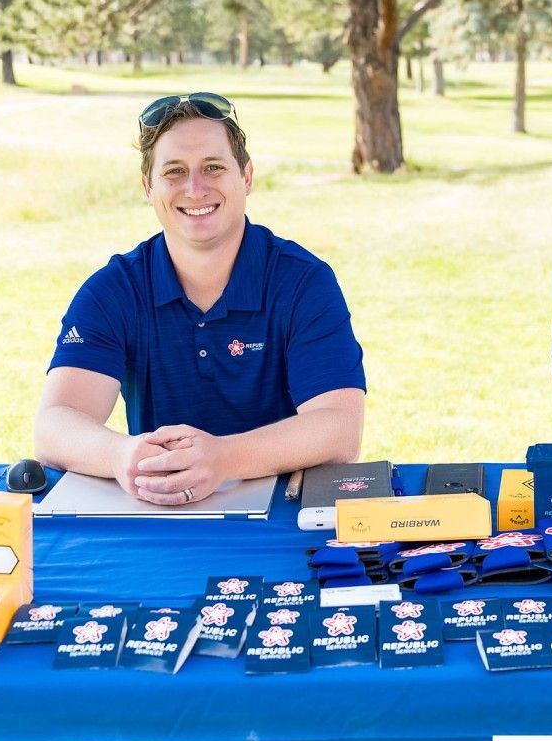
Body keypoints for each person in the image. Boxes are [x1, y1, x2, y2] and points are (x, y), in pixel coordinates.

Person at [34, 92, 365, 504]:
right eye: (174, 171)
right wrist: (121, 455)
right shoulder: (114, 289)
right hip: (161, 511)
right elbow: (55, 424)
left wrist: (223, 458)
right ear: (148, 187)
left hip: (283, 514)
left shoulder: (303, 282)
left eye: (213, 167)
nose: (195, 189)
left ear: (245, 177)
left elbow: (339, 429)